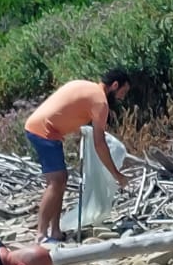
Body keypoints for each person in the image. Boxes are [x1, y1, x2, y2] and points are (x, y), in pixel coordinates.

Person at [23, 69, 132, 244]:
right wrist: (116, 174)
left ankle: (56, 231)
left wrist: (77, 129)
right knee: (56, 181)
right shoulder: (100, 102)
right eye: (123, 92)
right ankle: (41, 234)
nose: (122, 97)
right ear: (115, 85)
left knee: (60, 180)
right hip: (44, 132)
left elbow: (64, 108)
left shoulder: (85, 86)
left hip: (43, 128)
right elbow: (100, 144)